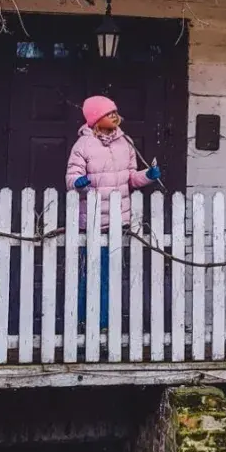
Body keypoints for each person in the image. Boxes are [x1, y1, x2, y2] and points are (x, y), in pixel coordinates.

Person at [66, 96, 161, 329]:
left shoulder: (125, 143)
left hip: (119, 220)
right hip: (91, 220)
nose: (115, 116)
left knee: (110, 274)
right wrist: (79, 182)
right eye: (109, 113)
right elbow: (71, 176)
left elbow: (131, 177)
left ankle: (104, 322)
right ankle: (82, 320)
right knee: (88, 274)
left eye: (116, 112)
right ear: (97, 118)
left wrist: (148, 176)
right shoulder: (83, 146)